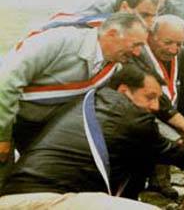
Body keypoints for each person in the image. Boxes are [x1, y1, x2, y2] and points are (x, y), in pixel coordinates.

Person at [0, 63, 184, 210]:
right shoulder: (131, 117)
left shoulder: (95, 101)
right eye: (150, 97)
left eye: (159, 99)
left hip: (19, 197)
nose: (155, 107)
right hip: (46, 201)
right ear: (124, 91)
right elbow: (178, 154)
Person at [0, 12, 150, 185]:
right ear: (112, 34)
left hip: (37, 128)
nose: (138, 52)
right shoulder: (58, 41)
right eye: (136, 44)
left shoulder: (113, 67)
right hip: (6, 118)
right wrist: (2, 136)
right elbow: (5, 83)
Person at [132, 14, 184, 199]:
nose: (173, 49)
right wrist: (183, 125)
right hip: (144, 111)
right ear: (151, 36)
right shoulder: (138, 55)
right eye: (168, 42)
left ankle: (160, 183)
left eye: (179, 44)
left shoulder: (179, 53)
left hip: (167, 107)